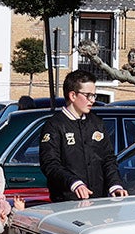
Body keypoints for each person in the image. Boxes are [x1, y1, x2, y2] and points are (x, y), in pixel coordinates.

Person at [39, 70, 127, 202]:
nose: (92, 100)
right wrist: (74, 183)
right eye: (88, 95)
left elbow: (108, 158)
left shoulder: (96, 123)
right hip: (67, 201)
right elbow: (50, 164)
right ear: (73, 96)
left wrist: (115, 185)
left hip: (97, 201)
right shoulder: (54, 125)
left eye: (94, 95)